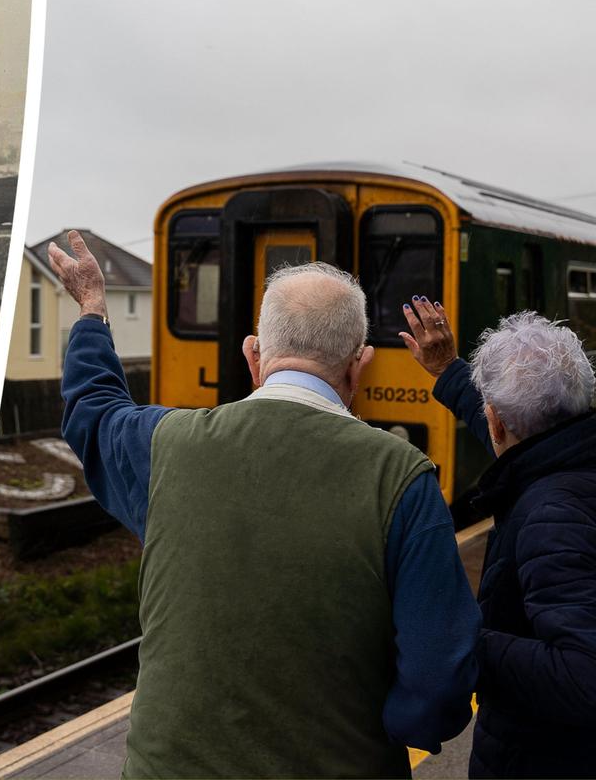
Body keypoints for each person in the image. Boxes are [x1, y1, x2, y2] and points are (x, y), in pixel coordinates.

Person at [50, 231, 480, 778]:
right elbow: (441, 678)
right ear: (359, 365)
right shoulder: (400, 477)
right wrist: (385, 729)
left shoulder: (164, 444)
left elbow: (92, 408)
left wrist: (92, 309)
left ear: (253, 354)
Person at [400, 299, 596, 778]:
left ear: (496, 422)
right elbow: (522, 442)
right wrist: (448, 371)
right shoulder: (568, 456)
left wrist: (462, 636)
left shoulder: (552, 515)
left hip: (542, 758)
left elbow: (584, 677)